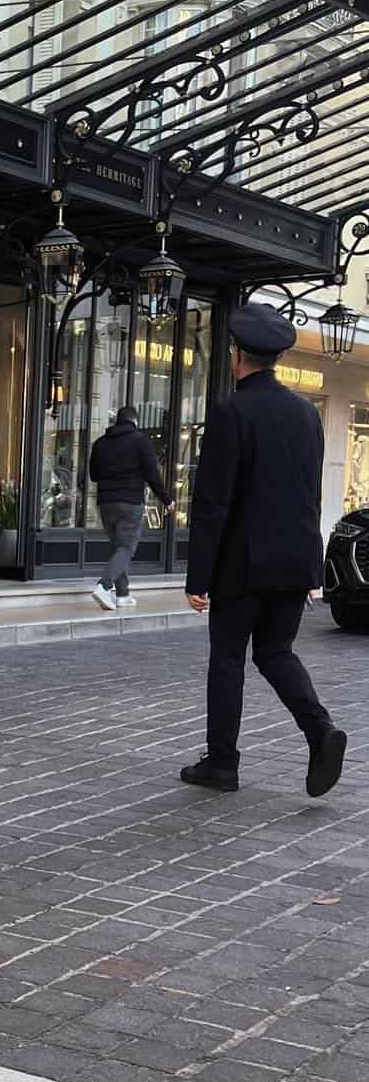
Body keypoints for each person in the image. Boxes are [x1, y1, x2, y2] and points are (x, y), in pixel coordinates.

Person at [181, 302, 347, 798]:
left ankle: (223, 764)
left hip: (242, 565)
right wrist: (313, 566)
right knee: (276, 651)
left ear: (237, 356)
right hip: (294, 561)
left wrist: (199, 578)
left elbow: (214, 502)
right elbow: (309, 493)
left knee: (229, 657)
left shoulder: (232, 411)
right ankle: (320, 731)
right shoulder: (306, 413)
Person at [87, 404, 176, 611]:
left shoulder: (100, 443)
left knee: (119, 547)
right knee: (126, 548)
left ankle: (123, 594)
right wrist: (166, 499)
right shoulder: (140, 441)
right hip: (130, 503)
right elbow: (152, 475)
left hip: (106, 503)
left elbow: (93, 475)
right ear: (135, 422)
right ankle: (104, 586)